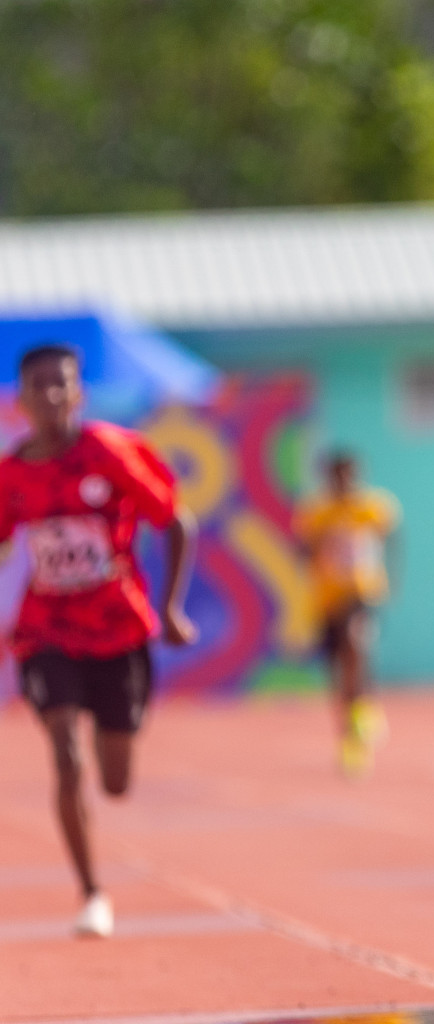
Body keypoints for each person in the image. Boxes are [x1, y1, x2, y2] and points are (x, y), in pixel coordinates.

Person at [0, 344, 198, 938]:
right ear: (23, 399)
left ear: (78, 393)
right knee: (64, 754)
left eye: (63, 384)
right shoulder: (11, 475)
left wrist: (171, 606)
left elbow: (175, 520)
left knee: (115, 781)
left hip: (117, 628)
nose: (53, 396)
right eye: (40, 386)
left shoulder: (108, 453)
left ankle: (115, 751)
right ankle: (92, 894)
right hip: (47, 631)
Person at [293, 451, 399, 778]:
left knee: (357, 645)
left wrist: (391, 579)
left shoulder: (374, 508)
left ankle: (366, 710)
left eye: (351, 474)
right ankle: (349, 737)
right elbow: (304, 552)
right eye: (338, 475)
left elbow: (391, 543)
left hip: (363, 593)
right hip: (328, 601)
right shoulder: (316, 512)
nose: (345, 481)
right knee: (339, 671)